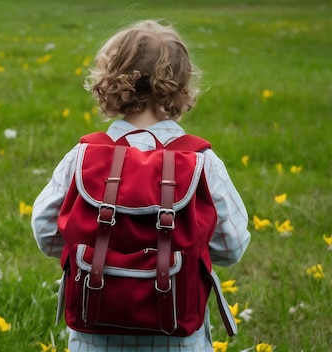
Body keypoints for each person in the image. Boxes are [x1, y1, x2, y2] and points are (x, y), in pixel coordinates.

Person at [31, 19, 251, 351]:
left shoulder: (82, 156)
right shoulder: (201, 162)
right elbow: (232, 245)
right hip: (178, 336)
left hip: (93, 334)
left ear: (108, 83)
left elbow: (46, 231)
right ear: (182, 87)